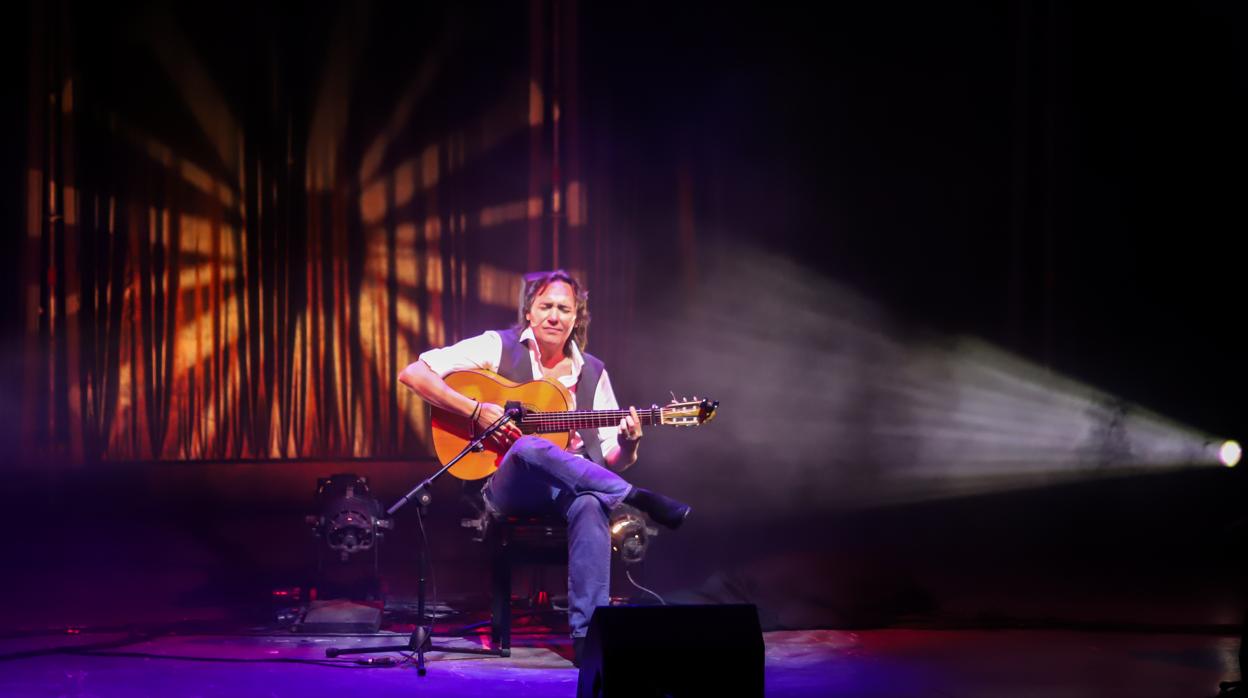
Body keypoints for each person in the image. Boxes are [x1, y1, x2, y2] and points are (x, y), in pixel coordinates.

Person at [398, 269, 691, 666]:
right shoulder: (496, 347)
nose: (554, 316)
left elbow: (608, 456)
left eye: (564, 309)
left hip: (567, 490)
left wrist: (628, 443)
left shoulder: (593, 371)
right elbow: (413, 373)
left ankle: (589, 641)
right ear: (530, 313)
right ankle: (635, 497)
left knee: (590, 505)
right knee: (527, 446)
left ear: (577, 318)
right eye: (546, 306)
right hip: (505, 485)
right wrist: (475, 410)